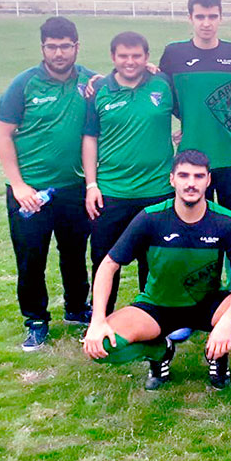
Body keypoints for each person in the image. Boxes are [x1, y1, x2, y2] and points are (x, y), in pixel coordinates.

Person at [82, 150, 231, 390]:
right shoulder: (151, 218)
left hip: (207, 305)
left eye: (198, 176)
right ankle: (160, 351)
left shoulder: (226, 221)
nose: (191, 183)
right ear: (172, 179)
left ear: (208, 180)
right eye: (184, 175)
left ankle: (217, 353)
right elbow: (108, 266)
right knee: (104, 345)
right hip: (158, 306)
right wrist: (97, 320)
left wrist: (226, 323)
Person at [0, 16, 95, 350]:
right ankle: (36, 320)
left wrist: (150, 69)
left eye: (65, 46)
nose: (59, 53)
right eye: (52, 47)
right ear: (43, 48)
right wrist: (18, 186)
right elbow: (3, 135)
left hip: (74, 188)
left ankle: (77, 309)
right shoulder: (24, 84)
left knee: (74, 253)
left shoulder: (89, 81)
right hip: (30, 192)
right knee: (31, 257)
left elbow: (126, 80)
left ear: (76, 47)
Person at [83, 31, 175, 314]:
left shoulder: (163, 83)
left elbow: (191, 113)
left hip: (158, 190)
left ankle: (154, 316)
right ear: (113, 57)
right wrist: (91, 185)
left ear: (147, 58)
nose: (130, 61)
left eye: (136, 56)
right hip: (112, 191)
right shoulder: (99, 90)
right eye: (123, 56)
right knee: (103, 258)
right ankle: (101, 316)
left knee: (156, 259)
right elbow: (90, 138)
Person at [158, 0, 231, 220]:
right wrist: (188, 116)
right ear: (190, 18)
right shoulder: (174, 53)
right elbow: (163, 93)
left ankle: (230, 259)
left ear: (220, 18)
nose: (206, 23)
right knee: (191, 220)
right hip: (191, 156)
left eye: (212, 16)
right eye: (200, 17)